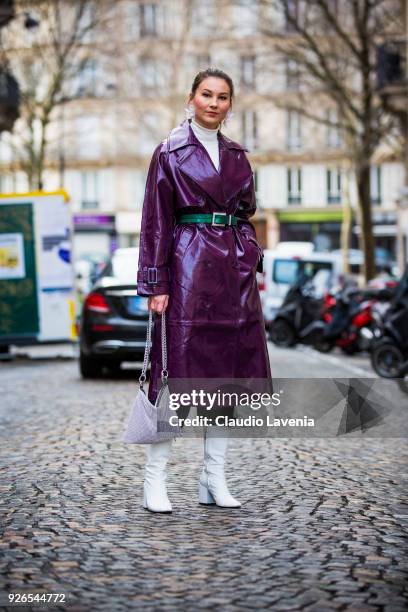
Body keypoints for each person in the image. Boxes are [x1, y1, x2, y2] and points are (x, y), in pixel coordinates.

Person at [137, 67, 272, 513]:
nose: (214, 103)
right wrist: (156, 282)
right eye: (207, 94)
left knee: (226, 380)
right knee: (174, 377)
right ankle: (154, 480)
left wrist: (250, 252)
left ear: (230, 105)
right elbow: (156, 219)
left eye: (223, 97)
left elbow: (248, 211)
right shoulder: (170, 152)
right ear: (191, 98)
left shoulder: (238, 155)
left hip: (233, 275)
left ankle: (213, 479)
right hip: (188, 270)